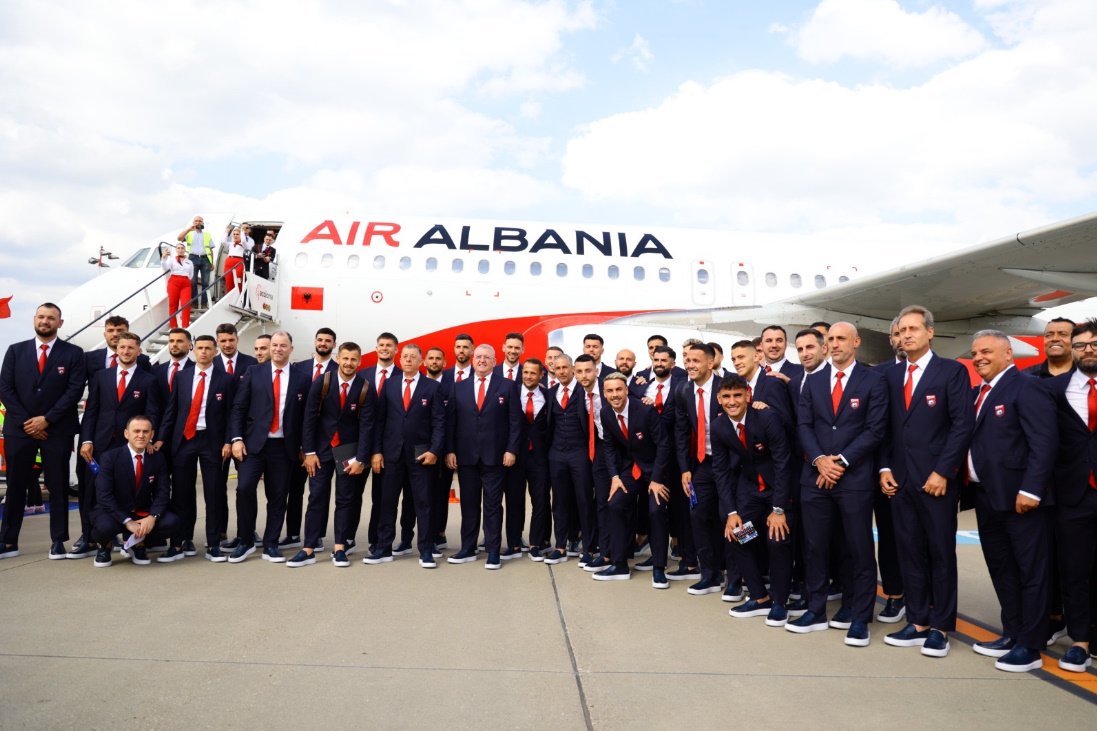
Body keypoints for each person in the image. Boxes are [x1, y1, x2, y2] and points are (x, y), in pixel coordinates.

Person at [880, 305, 974, 658]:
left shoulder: (951, 372)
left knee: (940, 554)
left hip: (937, 482)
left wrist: (943, 471)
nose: (906, 335)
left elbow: (962, 425)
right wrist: (884, 468)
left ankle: (941, 627)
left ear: (930, 332)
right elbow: (883, 428)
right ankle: (917, 621)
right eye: (902, 330)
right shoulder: (890, 376)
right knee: (909, 552)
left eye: (913, 329)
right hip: (900, 481)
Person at [787, 323, 888, 646]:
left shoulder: (873, 379)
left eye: (841, 338)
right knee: (815, 547)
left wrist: (841, 461)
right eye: (830, 339)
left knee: (858, 548)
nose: (834, 344)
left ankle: (860, 616)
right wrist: (820, 460)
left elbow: (875, 429)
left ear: (856, 342)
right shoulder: (813, 381)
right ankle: (816, 610)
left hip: (854, 478)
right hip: (815, 477)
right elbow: (804, 425)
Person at [966, 330, 1057, 672]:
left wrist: (1031, 490)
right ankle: (1013, 633)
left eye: (986, 351)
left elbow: (1044, 442)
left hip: (1020, 499)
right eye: (975, 353)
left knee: (1031, 572)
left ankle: (1030, 647)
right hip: (987, 496)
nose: (979, 358)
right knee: (1002, 569)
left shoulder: (1027, 387)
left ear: (1008, 353)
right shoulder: (978, 393)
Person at [0, 303, 87, 559]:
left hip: (56, 431)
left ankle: (58, 540)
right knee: (16, 486)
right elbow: (5, 388)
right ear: (34, 320)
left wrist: (47, 420)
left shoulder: (73, 353)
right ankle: (8, 541)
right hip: (20, 430)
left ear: (60, 323)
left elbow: (74, 391)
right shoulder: (15, 351)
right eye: (41, 317)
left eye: (51, 318)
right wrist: (28, 422)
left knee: (58, 485)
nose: (45, 321)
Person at [713, 374, 795, 622]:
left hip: (778, 492)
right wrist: (731, 512)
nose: (732, 401)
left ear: (748, 395)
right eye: (726, 396)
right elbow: (721, 470)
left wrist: (779, 509)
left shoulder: (766, 418)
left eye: (737, 395)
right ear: (719, 399)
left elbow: (783, 463)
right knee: (739, 536)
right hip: (751, 492)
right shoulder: (719, 426)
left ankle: (779, 602)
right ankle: (759, 597)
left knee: (777, 540)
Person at [226, 331, 311, 563]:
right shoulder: (253, 372)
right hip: (252, 446)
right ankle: (245, 541)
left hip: (284, 448)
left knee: (278, 496)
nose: (278, 349)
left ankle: (271, 544)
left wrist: (305, 447)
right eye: (274, 345)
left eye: (283, 345)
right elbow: (239, 408)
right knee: (244, 489)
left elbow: (306, 418)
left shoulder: (302, 378)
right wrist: (236, 439)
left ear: (291, 348)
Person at [75, 332, 160, 559]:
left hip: (130, 446)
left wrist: (149, 439)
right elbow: (91, 411)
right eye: (122, 347)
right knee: (93, 493)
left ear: (138, 351)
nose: (126, 351)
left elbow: (151, 412)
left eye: (131, 348)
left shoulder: (148, 380)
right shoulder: (101, 377)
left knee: (132, 493)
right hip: (100, 445)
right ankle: (93, 539)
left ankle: (135, 541)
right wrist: (87, 440)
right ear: (116, 349)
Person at [290, 342, 374, 568]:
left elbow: (367, 426)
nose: (348, 363)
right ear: (338, 358)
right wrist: (309, 452)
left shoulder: (365, 387)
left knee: (345, 499)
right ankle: (308, 548)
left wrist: (361, 459)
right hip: (321, 450)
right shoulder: (323, 381)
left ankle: (339, 548)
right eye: (345, 358)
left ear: (359, 361)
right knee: (317, 497)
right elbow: (309, 418)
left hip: (348, 452)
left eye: (353, 359)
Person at [156, 335, 235, 562]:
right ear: (193, 350)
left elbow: (231, 414)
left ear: (215, 351)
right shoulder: (182, 377)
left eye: (208, 348)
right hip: (184, 440)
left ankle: (213, 544)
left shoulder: (226, 380)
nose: (203, 352)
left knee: (214, 493)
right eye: (200, 348)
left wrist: (228, 441)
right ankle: (179, 543)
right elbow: (171, 411)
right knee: (181, 493)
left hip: (212, 441)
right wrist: (161, 438)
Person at [1047, 319, 1097, 673]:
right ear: (1072, 350)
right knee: (1074, 570)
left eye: (1094, 344)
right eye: (1080, 345)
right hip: (1072, 494)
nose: (1087, 350)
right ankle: (1079, 640)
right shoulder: (1053, 390)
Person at [365, 344, 444, 568]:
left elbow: (439, 422)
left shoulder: (432, 387)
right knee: (387, 501)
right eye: (405, 356)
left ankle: (426, 550)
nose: (408, 360)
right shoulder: (389, 385)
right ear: (400, 360)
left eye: (413, 357)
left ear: (421, 361)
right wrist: (377, 451)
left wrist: (434, 450)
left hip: (421, 455)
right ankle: (383, 547)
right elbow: (380, 420)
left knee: (423, 503)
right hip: (392, 454)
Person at [445, 344, 521, 569]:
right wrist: (450, 450)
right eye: (478, 356)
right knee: (469, 505)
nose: (482, 360)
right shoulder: (459, 387)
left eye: (487, 357)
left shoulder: (507, 386)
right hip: (466, 456)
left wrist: (511, 450)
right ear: (472, 359)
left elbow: (515, 422)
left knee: (493, 505)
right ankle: (468, 548)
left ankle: (493, 550)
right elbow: (451, 423)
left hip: (495, 457)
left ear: (494, 361)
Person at [598, 372, 670, 584]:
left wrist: (657, 479)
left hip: (656, 470)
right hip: (632, 469)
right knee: (616, 504)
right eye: (610, 391)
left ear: (627, 390)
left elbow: (664, 445)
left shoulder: (645, 410)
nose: (615, 394)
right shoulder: (605, 413)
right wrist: (615, 476)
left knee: (656, 511)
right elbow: (609, 446)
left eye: (618, 389)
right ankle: (620, 564)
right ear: (604, 394)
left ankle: (659, 567)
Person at [90, 416, 182, 567]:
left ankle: (138, 544)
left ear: (152, 434)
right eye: (136, 431)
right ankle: (105, 546)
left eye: (145, 431)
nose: (141, 435)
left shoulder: (158, 458)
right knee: (104, 527)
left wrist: (152, 517)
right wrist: (127, 521)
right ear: (126, 434)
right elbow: (104, 495)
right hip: (115, 513)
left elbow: (163, 492)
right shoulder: (110, 457)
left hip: (142, 513)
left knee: (172, 522)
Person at [673, 343, 723, 595]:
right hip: (702, 464)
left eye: (696, 361)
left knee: (739, 520)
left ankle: (747, 571)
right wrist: (685, 468)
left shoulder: (727, 387)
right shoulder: (683, 390)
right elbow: (681, 433)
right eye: (688, 360)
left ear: (710, 363)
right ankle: (710, 573)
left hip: (730, 466)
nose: (690, 365)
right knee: (698, 516)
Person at [282, 328, 338, 550]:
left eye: (328, 341)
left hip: (323, 441)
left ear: (334, 345)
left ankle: (317, 535)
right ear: (315, 341)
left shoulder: (338, 370)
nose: (323, 343)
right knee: (294, 488)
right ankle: (293, 533)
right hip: (297, 439)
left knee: (319, 492)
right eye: (320, 339)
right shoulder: (299, 368)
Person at [542, 354, 595, 566]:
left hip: (580, 453)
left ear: (572, 369)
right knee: (559, 501)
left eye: (565, 367)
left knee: (584, 500)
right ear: (553, 370)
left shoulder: (584, 391)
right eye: (558, 368)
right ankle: (560, 546)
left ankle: (588, 548)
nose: (562, 371)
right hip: (556, 454)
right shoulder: (551, 393)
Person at [512, 359, 551, 560]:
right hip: (516, 456)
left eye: (533, 373)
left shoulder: (548, 396)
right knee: (515, 501)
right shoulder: (511, 392)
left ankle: (536, 543)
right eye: (525, 372)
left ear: (541, 375)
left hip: (540, 457)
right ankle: (514, 543)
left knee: (540, 501)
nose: (528, 376)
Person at [177, 215, 216, 308]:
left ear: (203, 223)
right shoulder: (189, 234)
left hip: (205, 259)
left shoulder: (207, 235)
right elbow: (179, 238)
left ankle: (204, 304)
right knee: (193, 282)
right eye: (196, 221)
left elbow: (210, 249)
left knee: (205, 283)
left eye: (200, 221)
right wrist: (188, 229)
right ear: (193, 223)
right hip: (193, 258)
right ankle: (194, 303)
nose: (198, 222)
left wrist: (211, 262)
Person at [162, 244, 195, 328]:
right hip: (174, 282)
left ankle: (185, 326)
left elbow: (191, 274)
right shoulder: (172, 260)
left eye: (182, 248)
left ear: (185, 250)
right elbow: (165, 268)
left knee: (186, 305)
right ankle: (173, 326)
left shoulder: (189, 262)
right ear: (176, 250)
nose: (180, 250)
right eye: (178, 248)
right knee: (173, 305)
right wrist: (164, 258)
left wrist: (185, 279)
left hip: (185, 283)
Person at [222, 226, 253, 295]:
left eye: (237, 234)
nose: (235, 236)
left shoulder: (245, 244)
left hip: (239, 262)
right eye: (234, 234)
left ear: (241, 235)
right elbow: (223, 242)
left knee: (238, 281)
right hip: (229, 261)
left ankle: (239, 297)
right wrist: (226, 232)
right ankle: (230, 298)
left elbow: (243, 241)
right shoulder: (231, 244)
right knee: (229, 281)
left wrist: (242, 231)